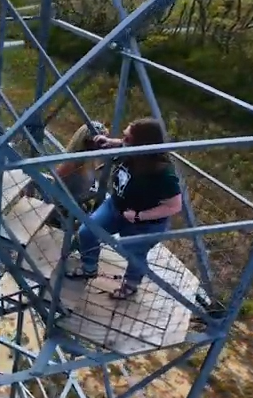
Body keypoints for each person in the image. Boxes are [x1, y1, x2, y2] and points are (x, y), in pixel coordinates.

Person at [67, 117, 183, 300]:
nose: (123, 141)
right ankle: (89, 267)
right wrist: (109, 143)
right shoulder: (131, 151)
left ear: (142, 144)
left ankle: (131, 285)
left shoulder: (163, 173)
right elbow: (122, 144)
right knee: (87, 232)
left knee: (135, 254)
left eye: (128, 138)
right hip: (116, 206)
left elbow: (174, 206)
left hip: (145, 222)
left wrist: (139, 216)